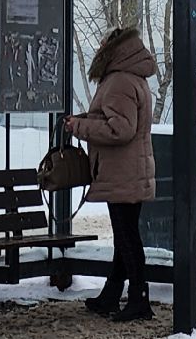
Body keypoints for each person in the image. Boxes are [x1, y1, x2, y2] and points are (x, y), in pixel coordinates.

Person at [67, 28, 158, 322]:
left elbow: (120, 129)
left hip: (122, 172)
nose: (99, 46)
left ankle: (138, 299)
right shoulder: (134, 78)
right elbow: (116, 120)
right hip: (131, 170)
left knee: (127, 237)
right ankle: (114, 294)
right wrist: (85, 121)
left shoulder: (118, 80)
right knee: (125, 236)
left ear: (115, 48)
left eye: (104, 42)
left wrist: (80, 128)